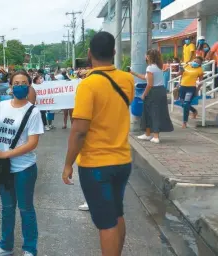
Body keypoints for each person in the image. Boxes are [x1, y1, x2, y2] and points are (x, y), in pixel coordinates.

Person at [63, 31, 134, 256]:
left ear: (89, 53)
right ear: (114, 52)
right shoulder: (127, 79)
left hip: (96, 165)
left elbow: (79, 131)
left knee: (106, 222)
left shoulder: (88, 85)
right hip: (122, 160)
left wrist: (68, 164)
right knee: (116, 214)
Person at [0, 70, 44, 256]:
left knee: (26, 209)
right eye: (16, 83)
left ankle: (30, 248)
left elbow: (32, 143)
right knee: (7, 209)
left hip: (24, 168)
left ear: (29, 86)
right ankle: (5, 246)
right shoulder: (1, 106)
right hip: (4, 169)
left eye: (23, 83)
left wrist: (5, 154)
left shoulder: (33, 112)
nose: (19, 86)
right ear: (10, 86)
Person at [130, 49, 174, 143]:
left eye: (146, 55)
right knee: (150, 112)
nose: (145, 56)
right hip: (160, 90)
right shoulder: (158, 66)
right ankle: (147, 134)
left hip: (153, 92)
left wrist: (143, 94)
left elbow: (149, 84)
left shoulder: (150, 68)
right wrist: (133, 72)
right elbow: (145, 78)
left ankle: (155, 136)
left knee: (153, 112)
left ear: (149, 57)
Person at [178, 56, 205, 128]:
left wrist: (197, 90)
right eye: (195, 61)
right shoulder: (186, 66)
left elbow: (200, 82)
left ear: (200, 64)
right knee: (182, 103)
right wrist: (180, 71)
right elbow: (179, 75)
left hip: (191, 88)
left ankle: (184, 122)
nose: (195, 63)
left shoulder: (200, 70)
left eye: (197, 62)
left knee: (186, 104)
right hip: (182, 87)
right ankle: (194, 111)